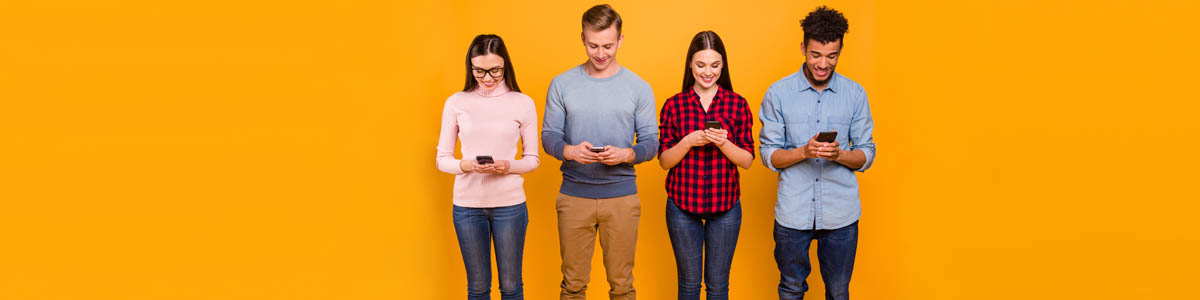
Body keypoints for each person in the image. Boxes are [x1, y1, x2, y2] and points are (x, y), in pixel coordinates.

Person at [758, 6, 877, 300]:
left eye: (832, 56)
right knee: (791, 289)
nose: (823, 63)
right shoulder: (778, 93)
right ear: (803, 48)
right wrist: (803, 151)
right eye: (816, 55)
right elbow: (769, 155)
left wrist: (838, 155)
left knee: (837, 292)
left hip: (841, 215)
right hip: (793, 214)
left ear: (840, 51)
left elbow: (867, 154)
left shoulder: (855, 94)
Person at [540, 4, 658, 300]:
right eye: (593, 45)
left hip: (621, 197)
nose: (601, 53)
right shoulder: (562, 84)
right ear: (582, 39)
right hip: (574, 195)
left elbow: (651, 142)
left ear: (620, 40)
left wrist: (627, 154)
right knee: (573, 285)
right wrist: (568, 150)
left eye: (608, 45)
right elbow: (549, 135)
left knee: (622, 286)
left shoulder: (638, 87)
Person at [435, 34, 539, 300]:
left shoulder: (522, 103)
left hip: (510, 206)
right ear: (470, 67)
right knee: (478, 288)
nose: (488, 78)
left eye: (495, 70)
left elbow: (532, 160)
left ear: (506, 65)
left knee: (511, 286)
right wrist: (466, 165)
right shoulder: (456, 103)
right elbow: (442, 159)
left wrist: (508, 166)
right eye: (479, 71)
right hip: (467, 207)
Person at [656, 30, 754, 300]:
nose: (707, 72)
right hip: (682, 206)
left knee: (718, 287)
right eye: (700, 65)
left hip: (725, 206)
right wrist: (688, 141)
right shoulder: (674, 105)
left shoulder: (737, 105)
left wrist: (723, 143)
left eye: (715, 65)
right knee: (688, 285)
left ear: (723, 65)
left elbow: (747, 160)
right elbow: (664, 161)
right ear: (690, 64)